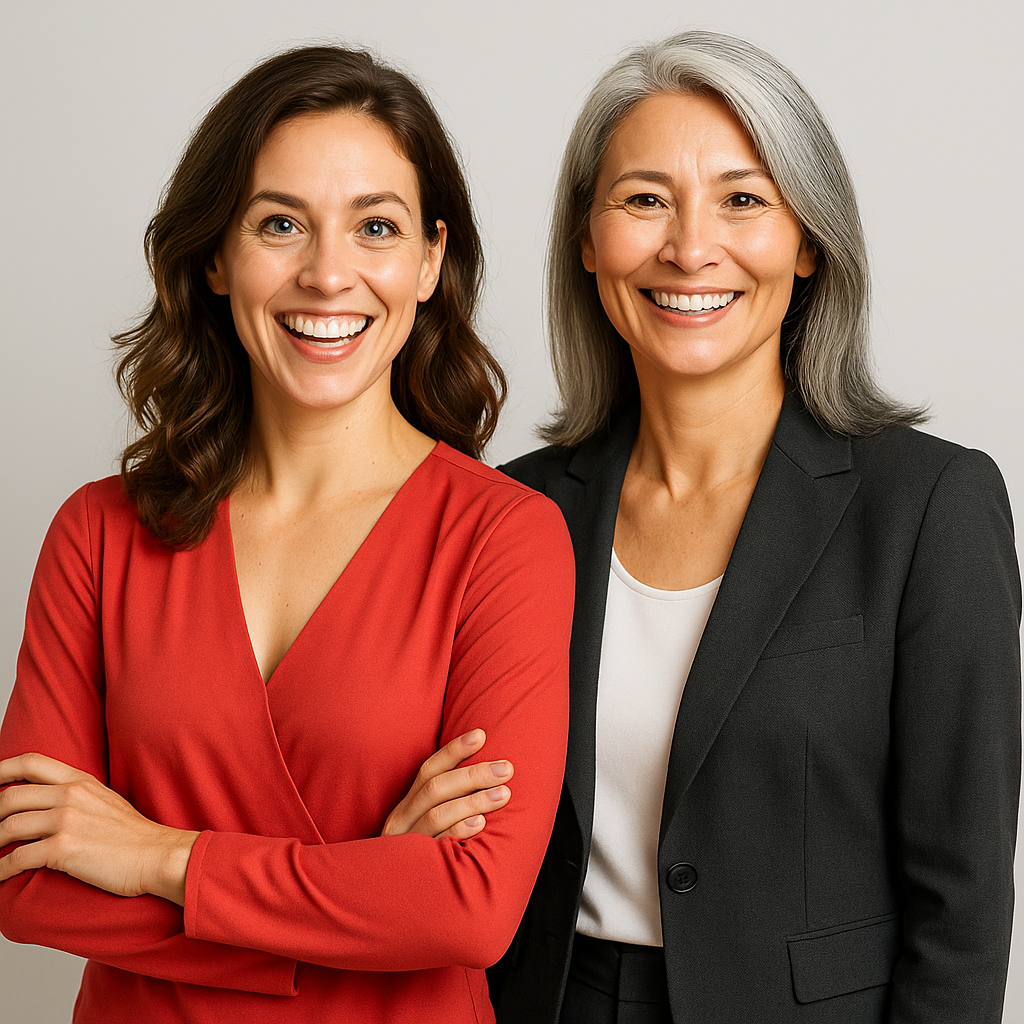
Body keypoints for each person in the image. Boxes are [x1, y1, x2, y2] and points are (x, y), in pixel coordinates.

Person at [410, 30, 1022, 1024]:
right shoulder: (512, 513)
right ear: (585, 239)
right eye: (643, 199)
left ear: (808, 240)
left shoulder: (926, 506)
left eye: (743, 200)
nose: (690, 248)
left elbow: (963, 904)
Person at [0, 45, 573, 1024]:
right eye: (280, 224)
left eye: (376, 227)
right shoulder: (97, 532)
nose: (326, 273)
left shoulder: (504, 536)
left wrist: (155, 855)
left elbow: (472, 910)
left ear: (430, 261)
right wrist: (365, 893)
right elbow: (27, 879)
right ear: (216, 254)